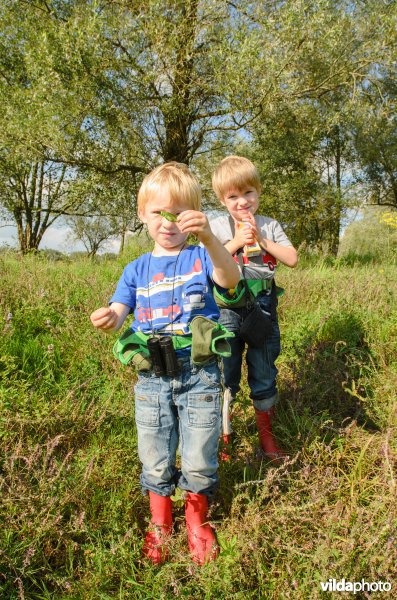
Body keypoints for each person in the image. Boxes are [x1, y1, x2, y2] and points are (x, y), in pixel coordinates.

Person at [90, 162, 240, 565]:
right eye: (158, 212)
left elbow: (229, 279)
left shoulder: (200, 256)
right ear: (143, 215)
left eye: (178, 212)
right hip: (152, 378)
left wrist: (209, 237)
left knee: (199, 452)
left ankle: (196, 521)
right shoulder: (135, 269)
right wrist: (110, 318)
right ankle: (160, 523)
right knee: (154, 452)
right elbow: (121, 308)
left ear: (192, 215)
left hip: (200, 372)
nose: (168, 221)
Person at [209, 156, 298, 462]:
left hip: (263, 307)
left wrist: (262, 240)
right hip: (227, 308)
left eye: (248, 193)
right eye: (232, 196)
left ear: (258, 192)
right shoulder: (217, 226)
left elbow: (292, 258)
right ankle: (225, 436)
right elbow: (207, 264)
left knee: (263, 370)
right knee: (225, 373)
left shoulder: (269, 225)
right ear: (223, 200)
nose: (242, 202)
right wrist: (234, 242)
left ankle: (267, 438)